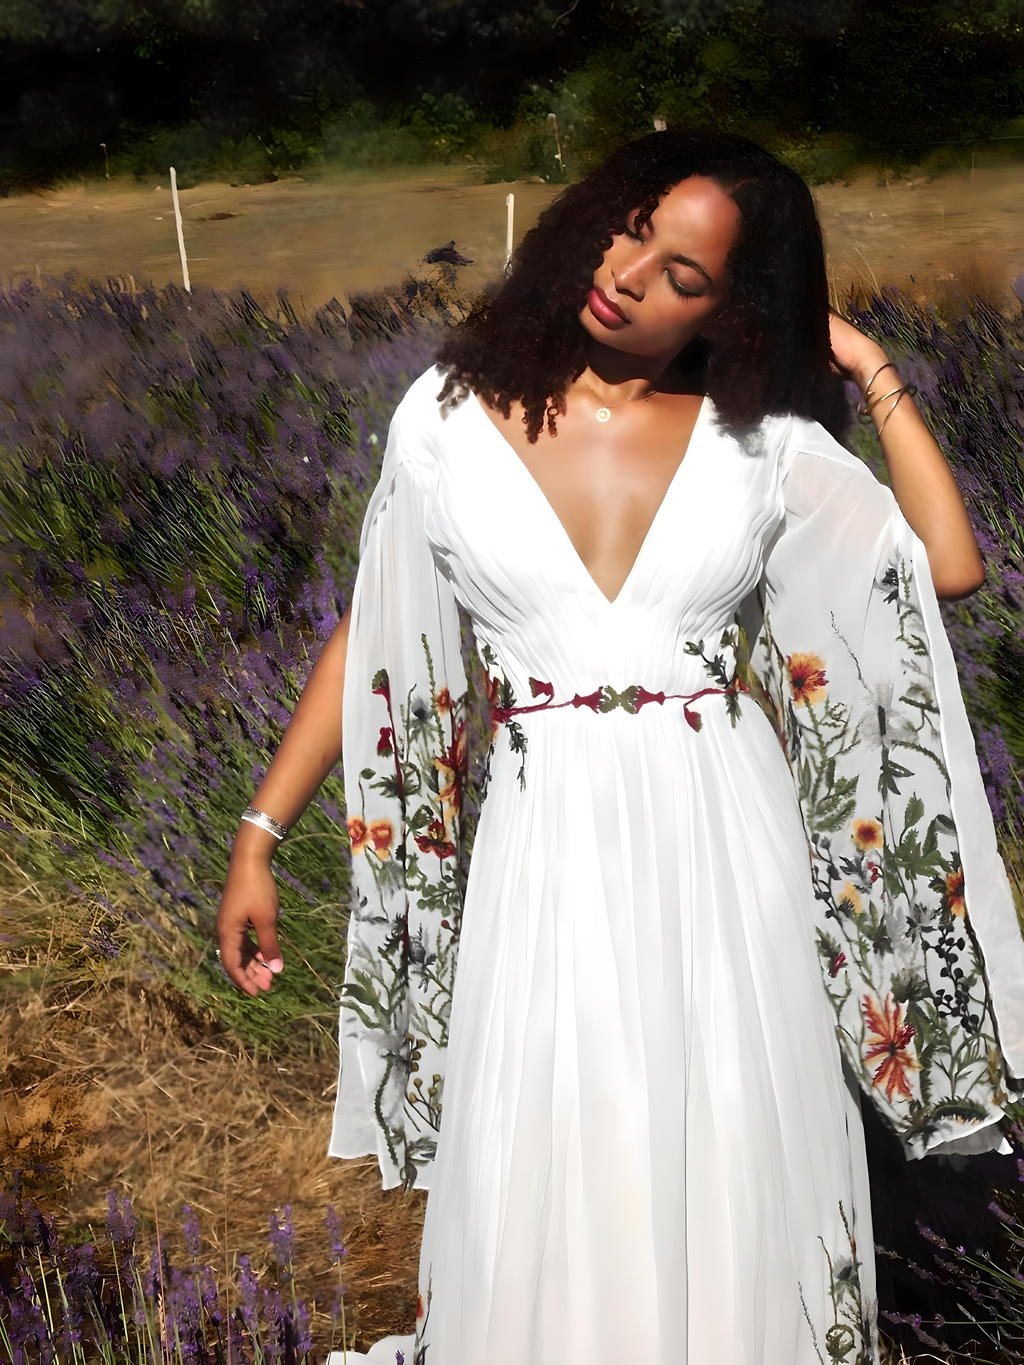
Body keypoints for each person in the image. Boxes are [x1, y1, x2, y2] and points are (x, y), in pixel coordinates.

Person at [216, 132, 1024, 1365]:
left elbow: (948, 568)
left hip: (728, 852)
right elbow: (372, 635)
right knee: (549, 1147)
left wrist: (863, 365)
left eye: (686, 276)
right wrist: (258, 834)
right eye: (629, 225)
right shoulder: (441, 422)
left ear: (735, 307)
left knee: (734, 1149)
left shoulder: (761, 448)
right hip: (543, 856)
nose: (633, 273)